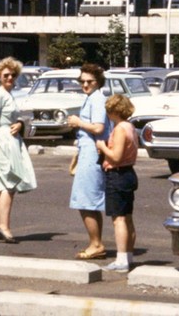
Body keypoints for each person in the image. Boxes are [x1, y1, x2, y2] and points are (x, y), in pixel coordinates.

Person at [0, 56, 36, 244]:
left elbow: (16, 116)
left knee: (3, 185)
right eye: (6, 75)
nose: (10, 78)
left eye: (13, 75)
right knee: (8, 184)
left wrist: (20, 123)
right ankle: (4, 227)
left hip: (9, 141)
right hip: (1, 142)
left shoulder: (8, 94)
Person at [66, 62, 111, 259]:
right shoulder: (91, 98)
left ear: (98, 82)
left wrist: (78, 122)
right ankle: (95, 243)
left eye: (89, 81)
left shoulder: (97, 99)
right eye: (82, 81)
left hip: (93, 154)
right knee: (88, 201)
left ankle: (96, 244)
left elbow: (98, 128)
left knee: (86, 200)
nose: (85, 85)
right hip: (88, 151)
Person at [95, 94, 139, 272]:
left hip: (117, 174)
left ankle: (121, 260)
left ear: (114, 111)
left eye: (109, 111)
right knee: (127, 217)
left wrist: (103, 147)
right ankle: (128, 256)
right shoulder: (130, 127)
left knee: (118, 219)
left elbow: (116, 156)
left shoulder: (120, 129)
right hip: (128, 173)